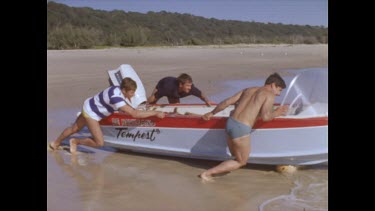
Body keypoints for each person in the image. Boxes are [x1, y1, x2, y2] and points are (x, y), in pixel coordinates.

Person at [199, 73, 289, 182]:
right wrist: (277, 113)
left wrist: (212, 113)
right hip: (241, 128)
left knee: (234, 155)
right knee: (241, 161)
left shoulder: (248, 89)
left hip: (230, 123)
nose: (278, 94)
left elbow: (227, 102)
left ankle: (224, 168)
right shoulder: (269, 94)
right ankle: (207, 174)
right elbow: (265, 117)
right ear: (273, 85)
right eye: (279, 90)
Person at [49, 77, 165, 154]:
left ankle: (55, 143)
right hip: (92, 113)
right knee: (99, 142)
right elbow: (134, 114)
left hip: (88, 104)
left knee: (75, 128)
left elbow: (126, 106)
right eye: (131, 92)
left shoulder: (116, 88)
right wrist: (155, 112)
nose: (133, 94)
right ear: (124, 90)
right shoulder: (116, 98)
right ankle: (75, 141)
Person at [147, 73, 212, 106]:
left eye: (190, 85)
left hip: (174, 93)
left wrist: (207, 101)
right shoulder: (167, 88)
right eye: (187, 85)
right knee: (152, 103)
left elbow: (201, 94)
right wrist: (145, 105)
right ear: (181, 85)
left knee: (176, 107)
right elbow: (154, 97)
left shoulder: (191, 88)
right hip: (162, 84)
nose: (189, 87)